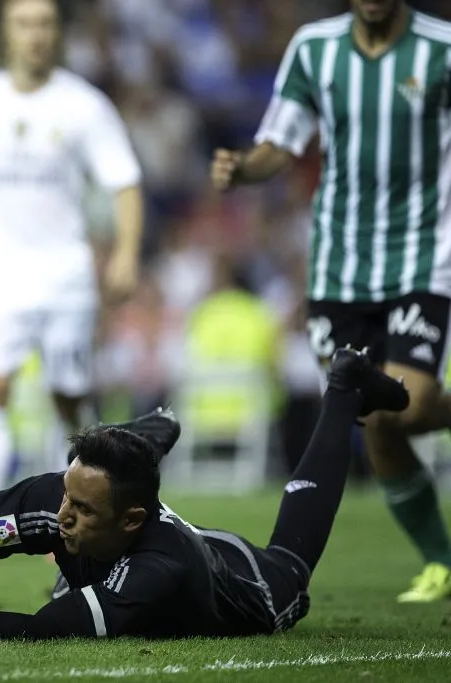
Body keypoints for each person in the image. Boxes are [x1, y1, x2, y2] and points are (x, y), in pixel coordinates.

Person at [0, 348, 409, 640]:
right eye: (67, 499)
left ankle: (344, 386)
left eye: (80, 511)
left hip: (246, 579)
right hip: (136, 527)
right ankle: (139, 442)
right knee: (88, 502)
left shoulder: (158, 569)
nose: (60, 518)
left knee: (293, 563)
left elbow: (43, 630)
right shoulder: (64, 498)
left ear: (129, 522)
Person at [210, 0, 451, 602]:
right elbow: (280, 143)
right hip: (338, 268)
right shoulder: (315, 49)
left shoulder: (440, 49)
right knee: (370, 416)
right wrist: (242, 168)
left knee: (411, 406)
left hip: (422, 256)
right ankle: (441, 561)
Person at [0, 0, 144, 500]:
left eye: (44, 24)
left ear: (58, 33)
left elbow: (125, 182)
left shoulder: (85, 105)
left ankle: (75, 514)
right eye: (24, 24)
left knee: (69, 398)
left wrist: (127, 253)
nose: (35, 34)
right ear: (6, 33)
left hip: (64, 271)